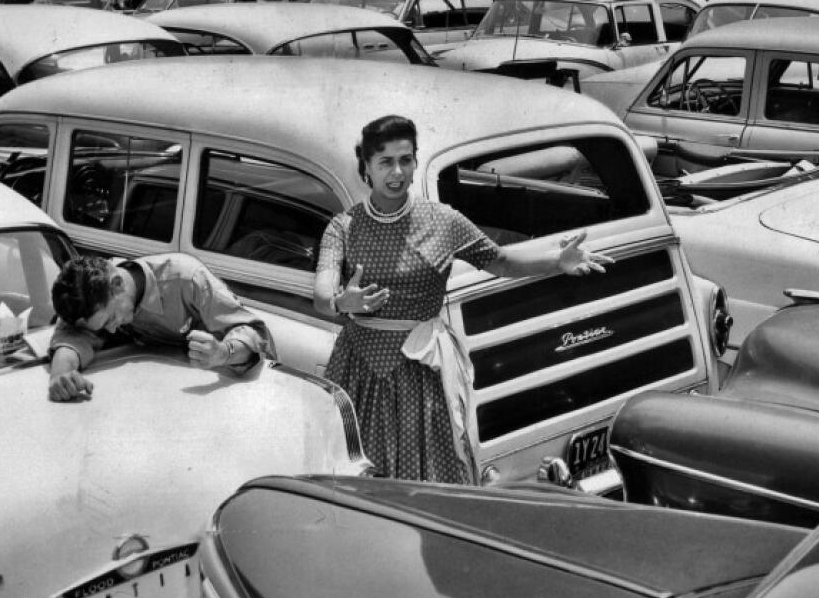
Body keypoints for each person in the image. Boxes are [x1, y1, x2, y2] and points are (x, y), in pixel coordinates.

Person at [314, 114, 614, 485]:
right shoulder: (343, 227)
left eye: (405, 160)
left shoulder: (444, 220)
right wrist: (344, 303)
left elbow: (501, 261)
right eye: (385, 162)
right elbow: (321, 296)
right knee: (358, 475)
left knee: (428, 476)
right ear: (367, 168)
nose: (397, 172)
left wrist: (558, 261)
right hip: (360, 371)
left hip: (421, 372)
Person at [46, 253, 274, 402]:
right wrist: (61, 374)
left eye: (111, 319)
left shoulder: (187, 278)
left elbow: (257, 334)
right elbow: (71, 338)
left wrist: (223, 353)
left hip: (239, 389)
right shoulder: (87, 293)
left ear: (117, 284)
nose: (112, 330)